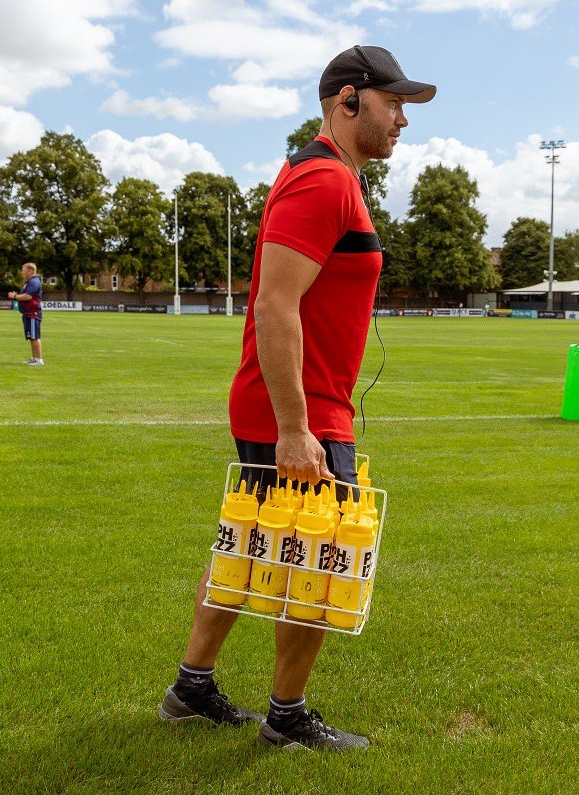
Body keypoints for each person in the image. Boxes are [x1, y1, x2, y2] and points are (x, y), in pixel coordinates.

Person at [160, 45, 435, 751]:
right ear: (349, 100)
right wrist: (295, 427)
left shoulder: (327, 175)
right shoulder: (324, 183)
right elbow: (275, 306)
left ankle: (191, 687)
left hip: (290, 406)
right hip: (299, 411)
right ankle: (286, 717)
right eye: (393, 102)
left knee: (250, 546)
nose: (403, 118)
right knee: (318, 558)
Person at [7, 263, 44, 366]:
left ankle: (39, 359)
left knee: (34, 337)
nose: (22, 272)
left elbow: (28, 296)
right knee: (31, 337)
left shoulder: (33, 282)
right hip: (28, 313)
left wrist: (15, 296)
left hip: (33, 313)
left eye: (23, 270)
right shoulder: (29, 282)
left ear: (30, 271)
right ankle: (34, 358)